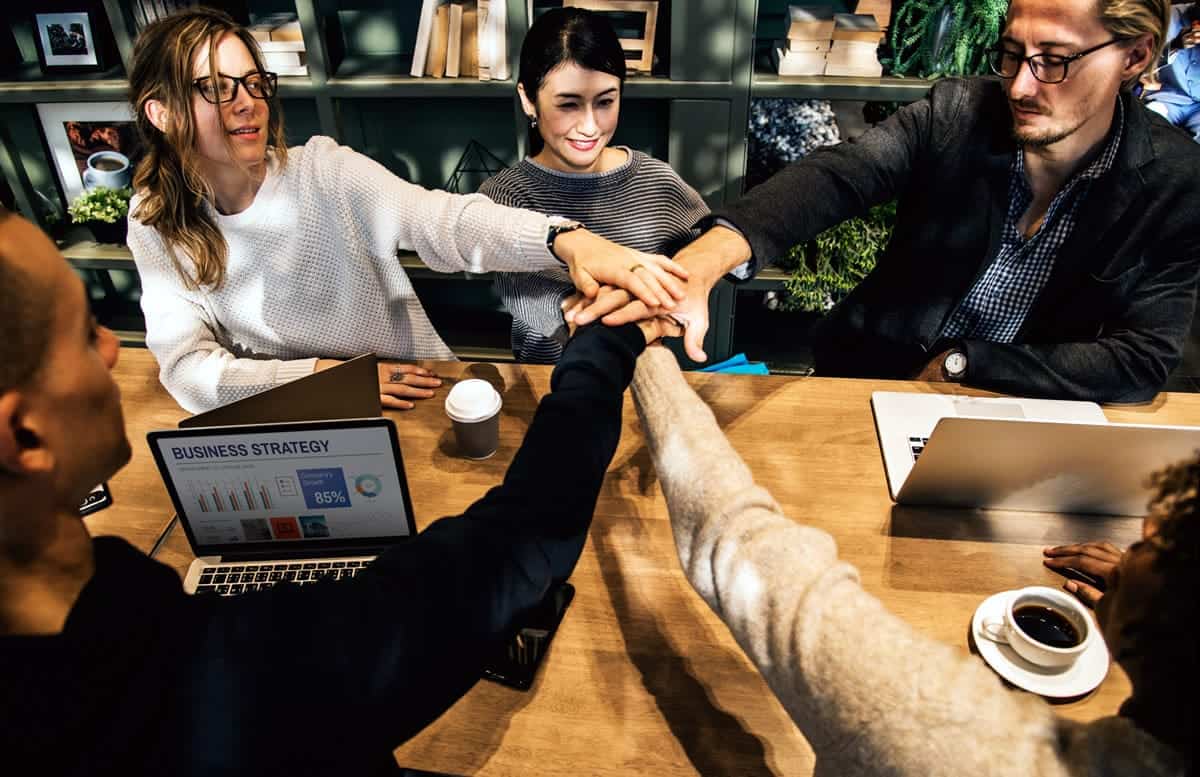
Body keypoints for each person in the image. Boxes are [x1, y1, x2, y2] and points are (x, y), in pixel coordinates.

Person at [0, 207, 681, 774]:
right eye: (85, 332)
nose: (114, 347)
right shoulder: (205, 688)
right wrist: (603, 346)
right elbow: (517, 543)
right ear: (23, 436)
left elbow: (438, 215)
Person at [576, 0, 1200, 404]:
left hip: (1024, 413)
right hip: (868, 385)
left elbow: (1143, 358)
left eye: (1055, 62)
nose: (1020, 85)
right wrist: (699, 267)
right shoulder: (958, 112)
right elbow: (836, 177)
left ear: (1135, 56)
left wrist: (964, 365)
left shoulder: (1176, 180)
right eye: (1011, 54)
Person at [630, 342, 1197, 775]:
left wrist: (647, 356)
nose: (1144, 527)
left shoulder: (949, 742)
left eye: (1166, 542)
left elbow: (743, 547)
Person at [125, 7, 688, 413]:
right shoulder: (153, 221)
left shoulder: (324, 169)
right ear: (162, 113)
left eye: (253, 81)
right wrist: (329, 382)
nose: (248, 102)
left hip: (416, 393)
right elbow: (187, 372)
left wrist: (564, 238)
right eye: (215, 88)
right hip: (299, 413)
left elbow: (440, 221)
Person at [479, 7, 710, 363]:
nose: (589, 126)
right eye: (568, 105)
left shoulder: (658, 181)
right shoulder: (505, 196)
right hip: (546, 384)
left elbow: (707, 253)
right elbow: (520, 285)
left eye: (605, 102)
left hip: (645, 381)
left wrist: (684, 292)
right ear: (528, 99)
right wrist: (584, 311)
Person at [1143, 3, 1200, 139]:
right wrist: (1175, 45)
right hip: (1169, 98)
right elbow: (1142, 67)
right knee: (1144, 129)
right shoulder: (1168, 17)